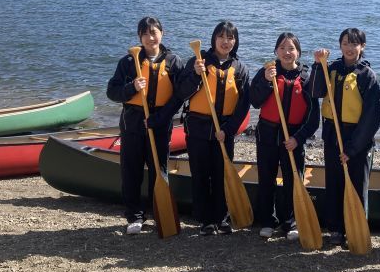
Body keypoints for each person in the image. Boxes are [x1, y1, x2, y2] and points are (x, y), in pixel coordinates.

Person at [106, 17, 185, 235]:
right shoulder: (128, 62)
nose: (151, 37)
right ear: (139, 37)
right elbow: (112, 92)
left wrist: (162, 117)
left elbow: (179, 96)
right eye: (146, 33)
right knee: (131, 171)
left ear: (162, 33)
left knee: (159, 171)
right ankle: (135, 216)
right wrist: (131, 87)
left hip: (160, 124)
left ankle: (160, 212)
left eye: (154, 32)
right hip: (133, 123)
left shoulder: (173, 62)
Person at [305, 27, 380, 246]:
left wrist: (353, 148)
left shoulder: (367, 76)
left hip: (358, 137)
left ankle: (355, 229)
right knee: (335, 183)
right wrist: (319, 65)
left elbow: (371, 118)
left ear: (362, 47)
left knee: (357, 185)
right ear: (340, 46)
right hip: (332, 135)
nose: (349, 47)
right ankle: (335, 228)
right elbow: (316, 91)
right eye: (345, 43)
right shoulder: (332, 69)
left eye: (354, 43)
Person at [175, 20, 251, 236]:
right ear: (214, 39)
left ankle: (222, 217)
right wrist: (195, 76)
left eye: (230, 38)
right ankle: (205, 219)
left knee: (222, 174)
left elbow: (244, 104)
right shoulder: (197, 62)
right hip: (198, 128)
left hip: (224, 130)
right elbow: (182, 93)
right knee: (201, 174)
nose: (226, 41)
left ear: (235, 42)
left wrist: (228, 130)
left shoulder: (240, 68)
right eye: (222, 37)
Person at [249, 32, 319, 241]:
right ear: (276, 51)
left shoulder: (306, 78)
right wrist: (267, 82)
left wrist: (298, 138)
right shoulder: (267, 73)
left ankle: (290, 221)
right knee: (266, 179)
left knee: (293, 180)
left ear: (298, 51)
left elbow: (314, 118)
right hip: (268, 135)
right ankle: (267, 221)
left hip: (294, 138)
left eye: (291, 48)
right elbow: (254, 101)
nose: (287, 52)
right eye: (282, 48)